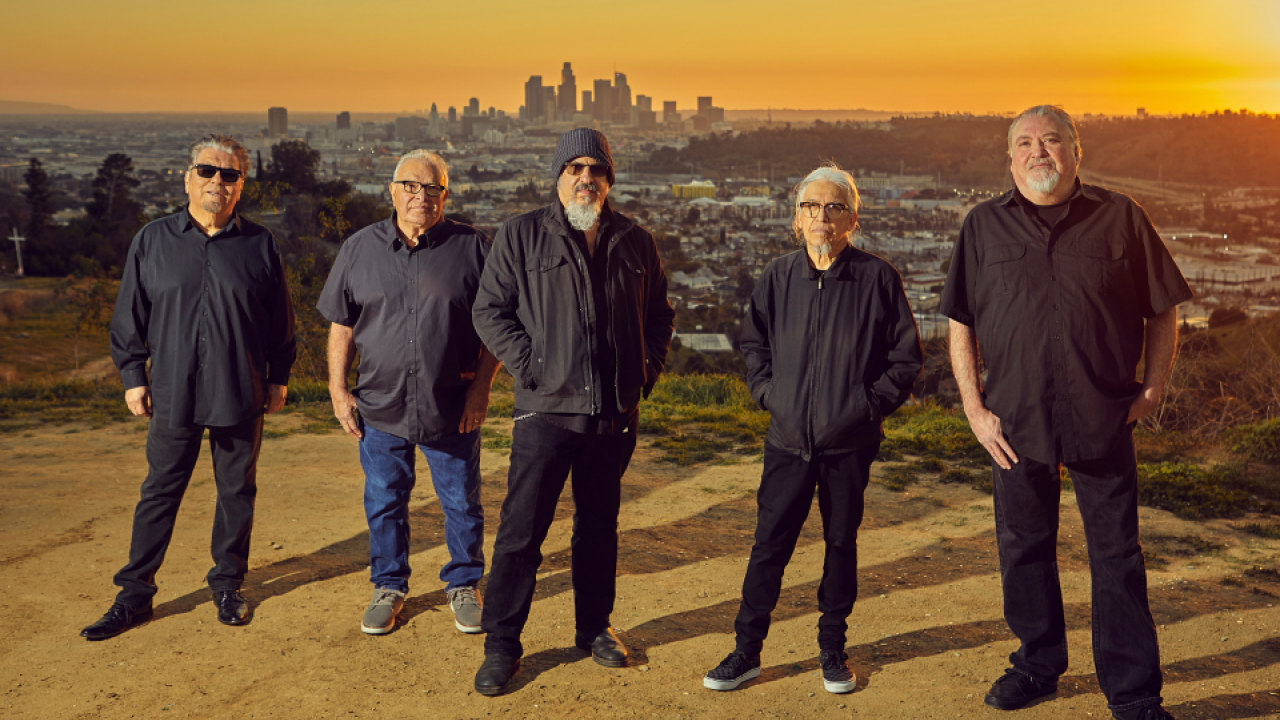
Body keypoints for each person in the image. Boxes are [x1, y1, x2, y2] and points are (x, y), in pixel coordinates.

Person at [941, 105, 1192, 720]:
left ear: (1077, 152)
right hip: (1014, 423)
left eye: (1053, 140)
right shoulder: (982, 227)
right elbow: (959, 322)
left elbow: (1162, 311)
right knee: (1023, 548)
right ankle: (1037, 663)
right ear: (1009, 158)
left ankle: (1133, 694)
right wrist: (974, 407)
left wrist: (1154, 389)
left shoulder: (1122, 218)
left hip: (1102, 417)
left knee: (1118, 558)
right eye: (1025, 142)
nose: (1039, 152)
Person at [702, 163, 922, 694]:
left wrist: (866, 408)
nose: (821, 216)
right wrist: (770, 396)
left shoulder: (877, 278)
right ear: (795, 219)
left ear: (853, 219)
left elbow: (906, 359)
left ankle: (832, 649)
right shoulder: (778, 277)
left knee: (839, 545)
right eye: (810, 207)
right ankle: (746, 651)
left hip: (849, 445)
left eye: (833, 207)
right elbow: (753, 345)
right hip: (786, 442)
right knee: (768, 547)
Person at [470, 128, 675, 695]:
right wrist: (530, 367)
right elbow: (489, 312)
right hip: (545, 413)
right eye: (576, 168)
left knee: (598, 530)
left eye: (597, 169)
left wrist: (644, 373)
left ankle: (595, 629)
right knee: (520, 534)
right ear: (558, 176)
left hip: (613, 416)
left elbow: (660, 316)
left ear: (609, 178)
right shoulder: (520, 235)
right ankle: (502, 646)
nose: (587, 178)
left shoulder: (636, 241)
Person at [82, 134, 296, 639]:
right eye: (207, 171)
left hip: (240, 388)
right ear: (187, 177)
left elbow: (279, 322)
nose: (217, 182)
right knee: (159, 491)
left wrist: (280, 377)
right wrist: (133, 376)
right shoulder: (152, 240)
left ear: (241, 185)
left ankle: (227, 585)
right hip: (172, 391)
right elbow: (129, 315)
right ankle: (134, 595)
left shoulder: (260, 244)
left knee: (236, 492)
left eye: (229, 174)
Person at [317, 150, 499, 636]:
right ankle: (389, 585)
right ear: (392, 190)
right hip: (379, 406)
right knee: (385, 501)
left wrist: (481, 391)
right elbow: (342, 325)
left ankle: (463, 584)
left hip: (451, 406)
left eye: (434, 187)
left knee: (461, 501)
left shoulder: (474, 248)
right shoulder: (359, 249)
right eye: (412, 186)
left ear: (446, 194)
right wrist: (337, 391)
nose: (423, 196)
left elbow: (495, 327)